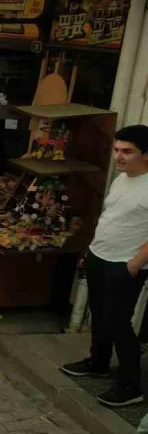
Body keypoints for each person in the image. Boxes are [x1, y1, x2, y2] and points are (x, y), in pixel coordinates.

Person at [61, 125, 148, 408]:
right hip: (100, 255)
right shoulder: (121, 179)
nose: (119, 157)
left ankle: (130, 385)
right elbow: (112, 216)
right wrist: (92, 249)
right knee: (99, 314)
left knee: (118, 322)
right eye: (117, 150)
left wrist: (135, 264)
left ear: (146, 154)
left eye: (127, 152)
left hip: (125, 264)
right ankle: (98, 362)